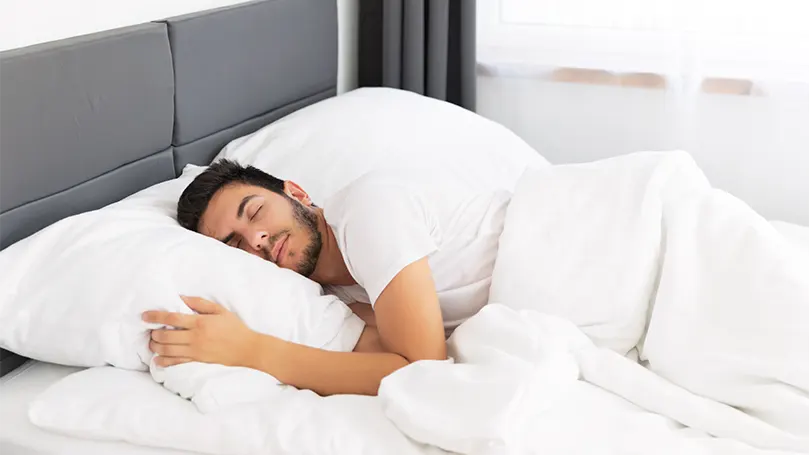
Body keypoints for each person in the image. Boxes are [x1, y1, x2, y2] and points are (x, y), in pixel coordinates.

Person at [142, 159, 511, 396]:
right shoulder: (325, 298)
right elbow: (385, 357)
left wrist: (250, 350)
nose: (256, 239)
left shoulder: (369, 210)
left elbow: (422, 370)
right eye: (235, 244)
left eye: (255, 212)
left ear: (298, 194)